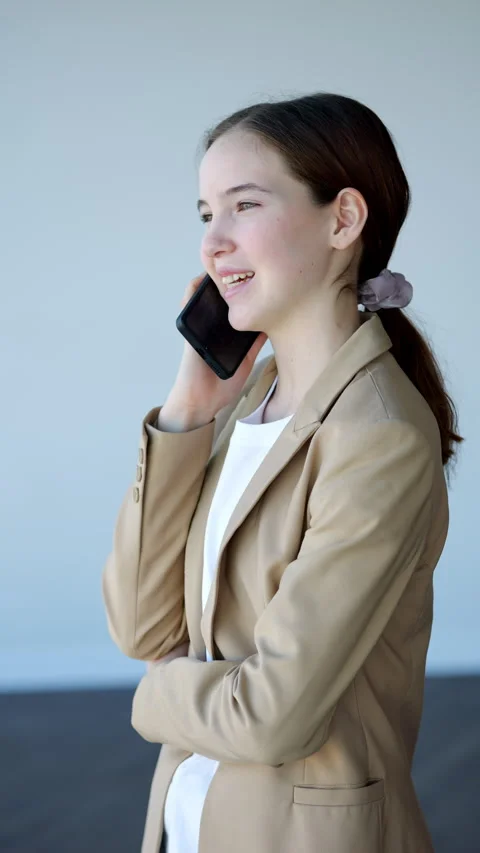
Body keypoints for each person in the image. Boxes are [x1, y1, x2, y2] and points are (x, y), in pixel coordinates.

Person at [102, 92, 462, 853]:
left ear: (343, 220)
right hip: (188, 825)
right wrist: (188, 409)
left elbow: (272, 715)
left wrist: (155, 695)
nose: (214, 243)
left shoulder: (380, 437)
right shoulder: (246, 408)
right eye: (206, 214)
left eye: (244, 205)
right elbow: (141, 624)